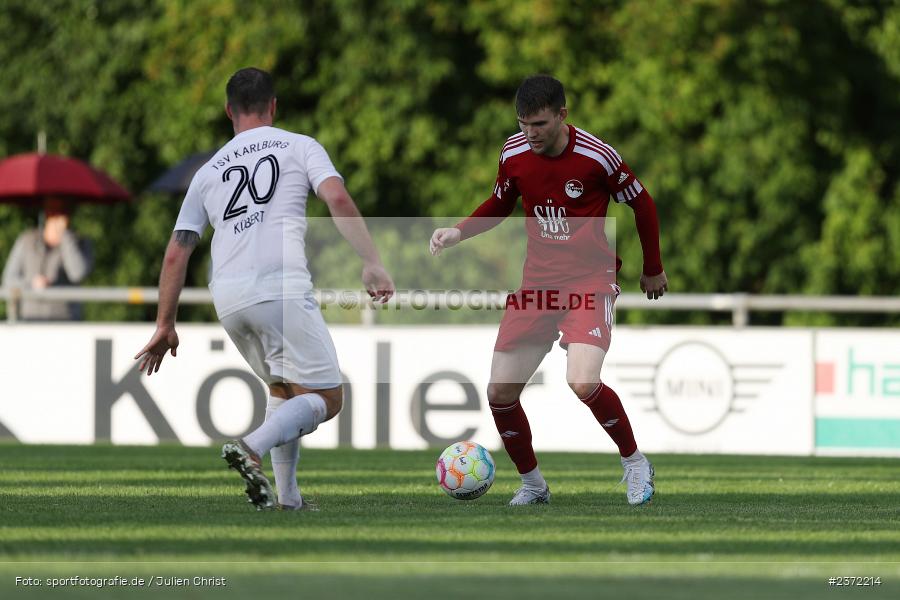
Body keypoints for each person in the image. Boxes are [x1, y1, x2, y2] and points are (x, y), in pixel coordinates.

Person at [135, 67, 395, 511]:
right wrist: (371, 261)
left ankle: (288, 500)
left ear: (228, 111)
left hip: (229, 298)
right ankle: (251, 447)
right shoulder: (300, 146)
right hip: (280, 289)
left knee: (283, 389)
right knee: (327, 397)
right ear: (274, 106)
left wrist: (165, 323)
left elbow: (178, 250)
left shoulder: (208, 171)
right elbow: (336, 197)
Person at [430, 75, 667, 506]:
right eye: (523, 124)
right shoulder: (514, 152)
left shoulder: (598, 156)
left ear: (562, 115)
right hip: (537, 285)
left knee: (581, 380)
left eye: (539, 124)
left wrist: (653, 268)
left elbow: (642, 202)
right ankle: (534, 486)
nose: (530, 133)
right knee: (499, 393)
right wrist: (459, 232)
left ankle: (635, 463)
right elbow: (500, 203)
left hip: (589, 282)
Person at [2, 198, 93, 320]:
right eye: (53, 209)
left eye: (62, 210)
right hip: (30, 320)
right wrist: (31, 284)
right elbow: (8, 279)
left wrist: (65, 237)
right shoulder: (26, 240)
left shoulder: (80, 243)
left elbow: (77, 273)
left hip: (65, 323)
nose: (58, 215)